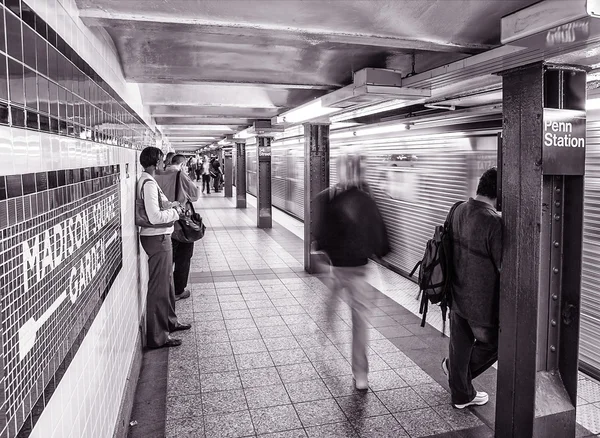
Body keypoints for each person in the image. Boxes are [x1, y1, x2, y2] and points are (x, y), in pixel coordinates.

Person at [314, 154, 390, 390]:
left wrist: (323, 251)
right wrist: (382, 253)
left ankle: (325, 329)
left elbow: (320, 230)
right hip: (357, 269)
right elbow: (378, 231)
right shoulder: (364, 199)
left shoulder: (328, 197)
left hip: (338, 267)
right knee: (360, 321)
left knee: (335, 298)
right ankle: (360, 374)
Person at [441, 167, 502, 409]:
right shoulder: (493, 222)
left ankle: (461, 392)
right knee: (495, 344)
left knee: (461, 343)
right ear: (499, 192)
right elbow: (503, 266)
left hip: (456, 293)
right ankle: (459, 382)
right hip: (481, 304)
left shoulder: (458, 209)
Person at [137, 147, 192, 349]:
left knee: (167, 283)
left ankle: (170, 321)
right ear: (156, 162)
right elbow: (155, 217)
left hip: (161, 237)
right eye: (161, 160)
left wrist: (171, 205)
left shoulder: (148, 181)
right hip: (157, 238)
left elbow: (160, 206)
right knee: (159, 288)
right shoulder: (149, 184)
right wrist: (176, 213)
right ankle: (158, 337)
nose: (164, 164)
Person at [155, 154, 200, 301]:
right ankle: (178, 290)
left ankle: (164, 290)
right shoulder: (180, 174)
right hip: (179, 224)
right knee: (183, 257)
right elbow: (194, 195)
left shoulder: (156, 174)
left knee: (168, 258)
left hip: (161, 224)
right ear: (182, 164)